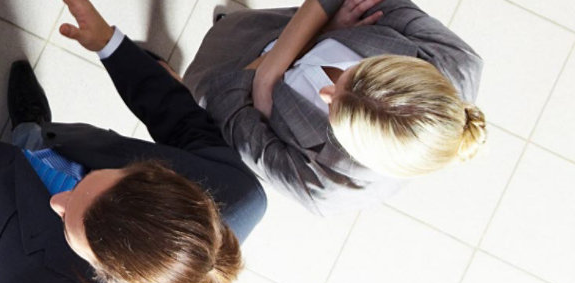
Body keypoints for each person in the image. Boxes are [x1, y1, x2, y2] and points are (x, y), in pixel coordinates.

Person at [0, 0, 267, 283]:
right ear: (151, 172)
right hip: (61, 144)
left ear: (108, 272)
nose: (57, 202)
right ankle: (31, 129)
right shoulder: (240, 193)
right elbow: (184, 123)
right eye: (93, 179)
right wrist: (109, 44)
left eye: (70, 226)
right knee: (33, 139)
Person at [183, 0, 486, 215]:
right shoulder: (456, 59)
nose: (326, 91)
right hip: (271, 30)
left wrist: (312, 36)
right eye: (353, 72)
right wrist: (266, 80)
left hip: (222, 72)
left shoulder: (327, 187)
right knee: (234, 29)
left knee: (181, 93)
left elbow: (221, 101)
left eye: (335, 110)